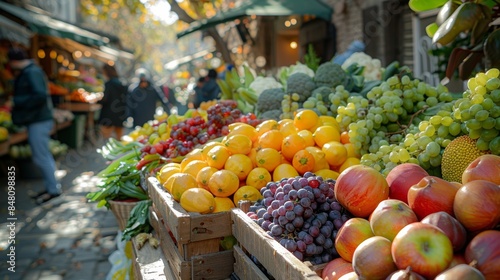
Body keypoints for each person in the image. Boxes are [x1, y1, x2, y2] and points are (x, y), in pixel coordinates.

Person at [8, 47, 61, 204]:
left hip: (39, 120)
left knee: (42, 156)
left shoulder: (31, 72)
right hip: (36, 119)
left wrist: (16, 101)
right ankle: (51, 188)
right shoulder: (30, 71)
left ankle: (54, 191)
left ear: (14, 61)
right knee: (42, 156)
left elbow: (39, 95)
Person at [98, 64, 128, 140]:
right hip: (120, 115)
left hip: (108, 115)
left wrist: (98, 101)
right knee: (119, 139)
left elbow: (105, 99)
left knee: (106, 138)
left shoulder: (109, 84)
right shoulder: (122, 83)